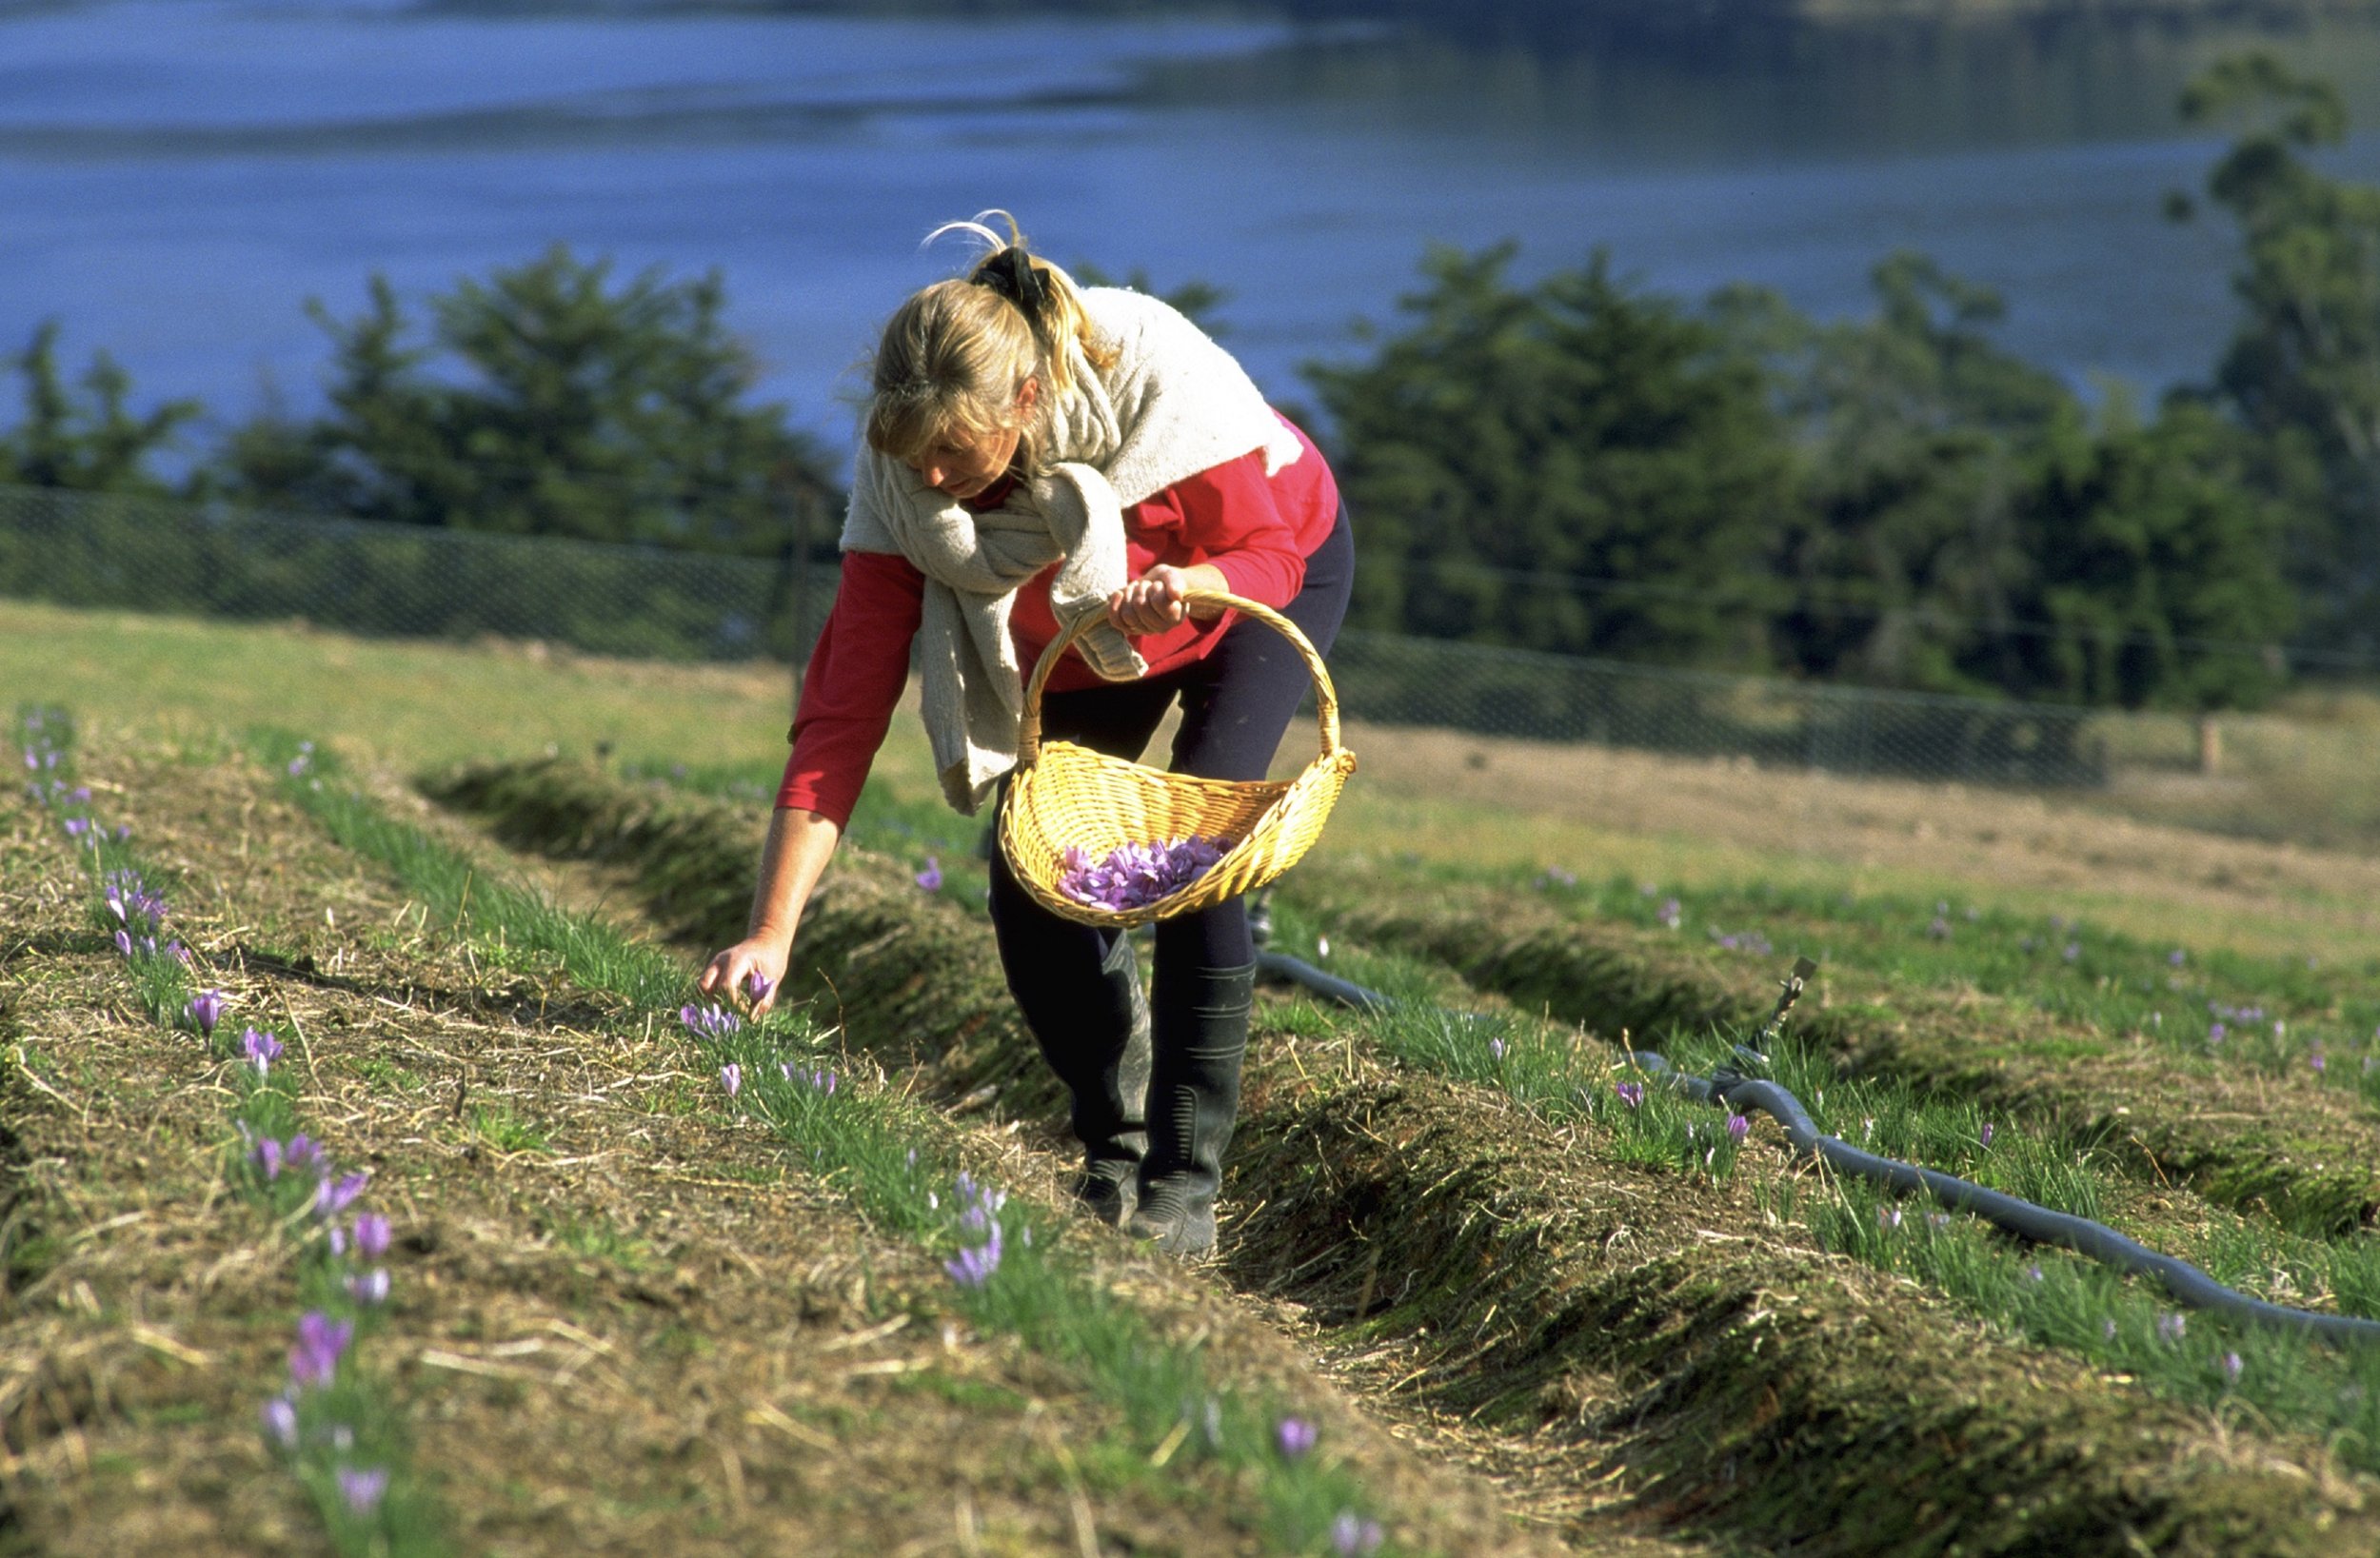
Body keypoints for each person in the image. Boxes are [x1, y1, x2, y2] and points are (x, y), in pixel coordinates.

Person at [698, 213, 1353, 1257]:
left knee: (1200, 840)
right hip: (1094, 625)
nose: (936, 480)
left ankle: (1187, 1177)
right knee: (1031, 861)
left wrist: (1194, 586)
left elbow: (1266, 550)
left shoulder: (1154, 381)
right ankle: (1114, 1137)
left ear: (1029, 403)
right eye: (914, 458)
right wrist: (771, 932)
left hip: (1257, 574)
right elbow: (842, 716)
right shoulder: (901, 485)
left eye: (955, 453)